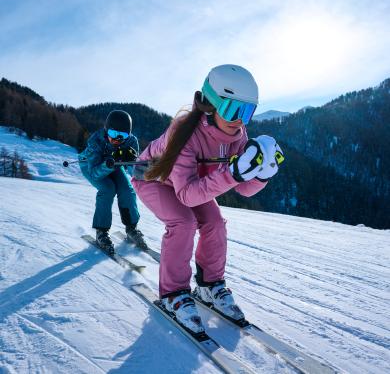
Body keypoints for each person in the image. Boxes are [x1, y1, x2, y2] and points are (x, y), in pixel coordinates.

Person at [131, 65, 284, 333]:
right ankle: (173, 294)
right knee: (183, 222)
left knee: (215, 223)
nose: (239, 120)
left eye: (247, 111)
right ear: (210, 105)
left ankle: (209, 286)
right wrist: (232, 173)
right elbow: (187, 196)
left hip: (191, 183)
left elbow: (243, 189)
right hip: (154, 179)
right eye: (232, 110)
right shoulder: (184, 132)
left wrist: (262, 175)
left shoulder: (239, 135)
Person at [79, 109, 147, 254]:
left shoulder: (131, 141)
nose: (117, 139)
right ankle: (101, 232)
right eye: (113, 134)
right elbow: (95, 174)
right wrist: (108, 164)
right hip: (92, 166)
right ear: (106, 130)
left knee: (127, 190)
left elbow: (132, 171)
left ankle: (131, 228)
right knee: (107, 189)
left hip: (113, 165)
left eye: (122, 135)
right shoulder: (95, 141)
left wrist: (134, 161)